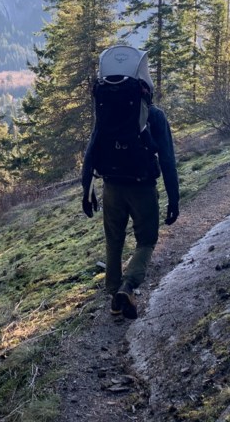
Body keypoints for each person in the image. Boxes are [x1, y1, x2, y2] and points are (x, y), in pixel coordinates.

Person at [80, 48, 179, 320]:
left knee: (114, 240)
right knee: (146, 240)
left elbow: (91, 152)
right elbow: (168, 161)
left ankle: (114, 295)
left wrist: (86, 190)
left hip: (111, 186)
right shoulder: (155, 116)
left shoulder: (106, 114)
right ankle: (128, 287)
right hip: (142, 187)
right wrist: (174, 199)